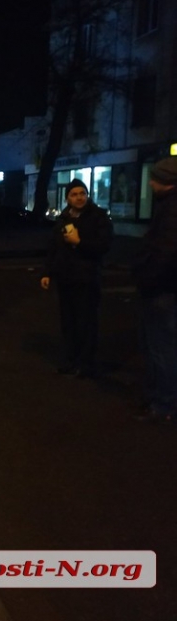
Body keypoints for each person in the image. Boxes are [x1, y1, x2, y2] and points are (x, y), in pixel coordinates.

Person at [40, 179, 114, 378]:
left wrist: (79, 242)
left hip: (87, 278)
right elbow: (53, 248)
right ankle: (70, 360)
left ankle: (85, 363)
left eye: (82, 193)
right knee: (69, 321)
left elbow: (103, 246)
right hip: (66, 278)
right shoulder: (63, 219)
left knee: (86, 322)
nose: (79, 197)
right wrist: (47, 272)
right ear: (67, 198)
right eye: (74, 194)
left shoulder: (97, 217)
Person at [131, 157, 177, 424]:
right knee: (160, 346)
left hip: (162, 289)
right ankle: (161, 398)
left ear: (166, 182)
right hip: (163, 287)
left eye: (154, 179)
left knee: (161, 347)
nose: (149, 183)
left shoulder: (172, 209)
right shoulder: (168, 206)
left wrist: (146, 277)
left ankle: (164, 404)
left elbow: (165, 253)